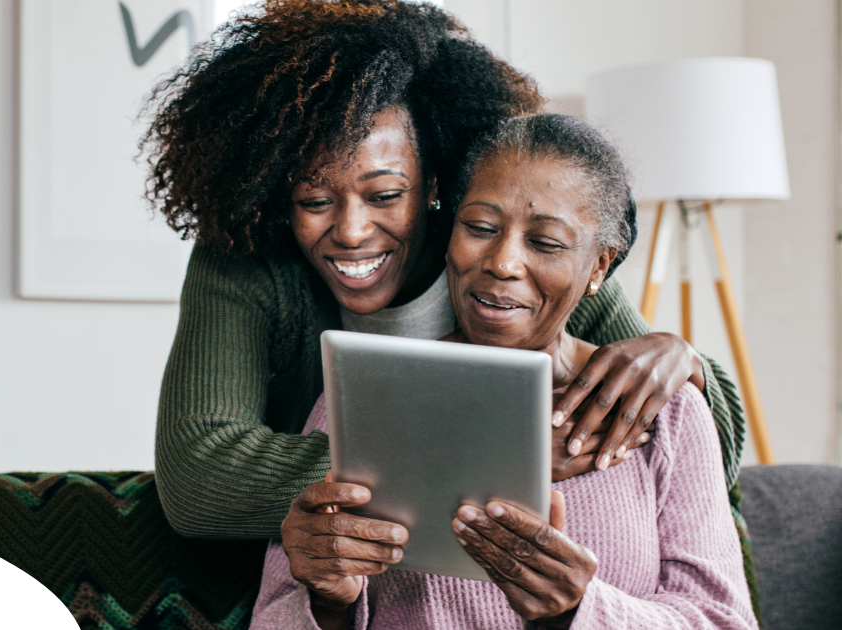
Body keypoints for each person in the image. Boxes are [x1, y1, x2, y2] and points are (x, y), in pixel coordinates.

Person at [144, 0, 746, 544]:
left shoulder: (513, 256)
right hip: (326, 571)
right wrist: (492, 455)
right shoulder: (247, 255)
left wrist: (683, 362)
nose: (351, 231)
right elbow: (199, 480)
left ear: (435, 185)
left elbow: (708, 452)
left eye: (385, 196)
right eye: (314, 201)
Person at [252, 113, 758, 629]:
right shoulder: (361, 392)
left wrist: (580, 612)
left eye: (545, 243)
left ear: (599, 267)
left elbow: (724, 621)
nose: (502, 262)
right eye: (480, 228)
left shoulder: (667, 412)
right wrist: (326, 604)